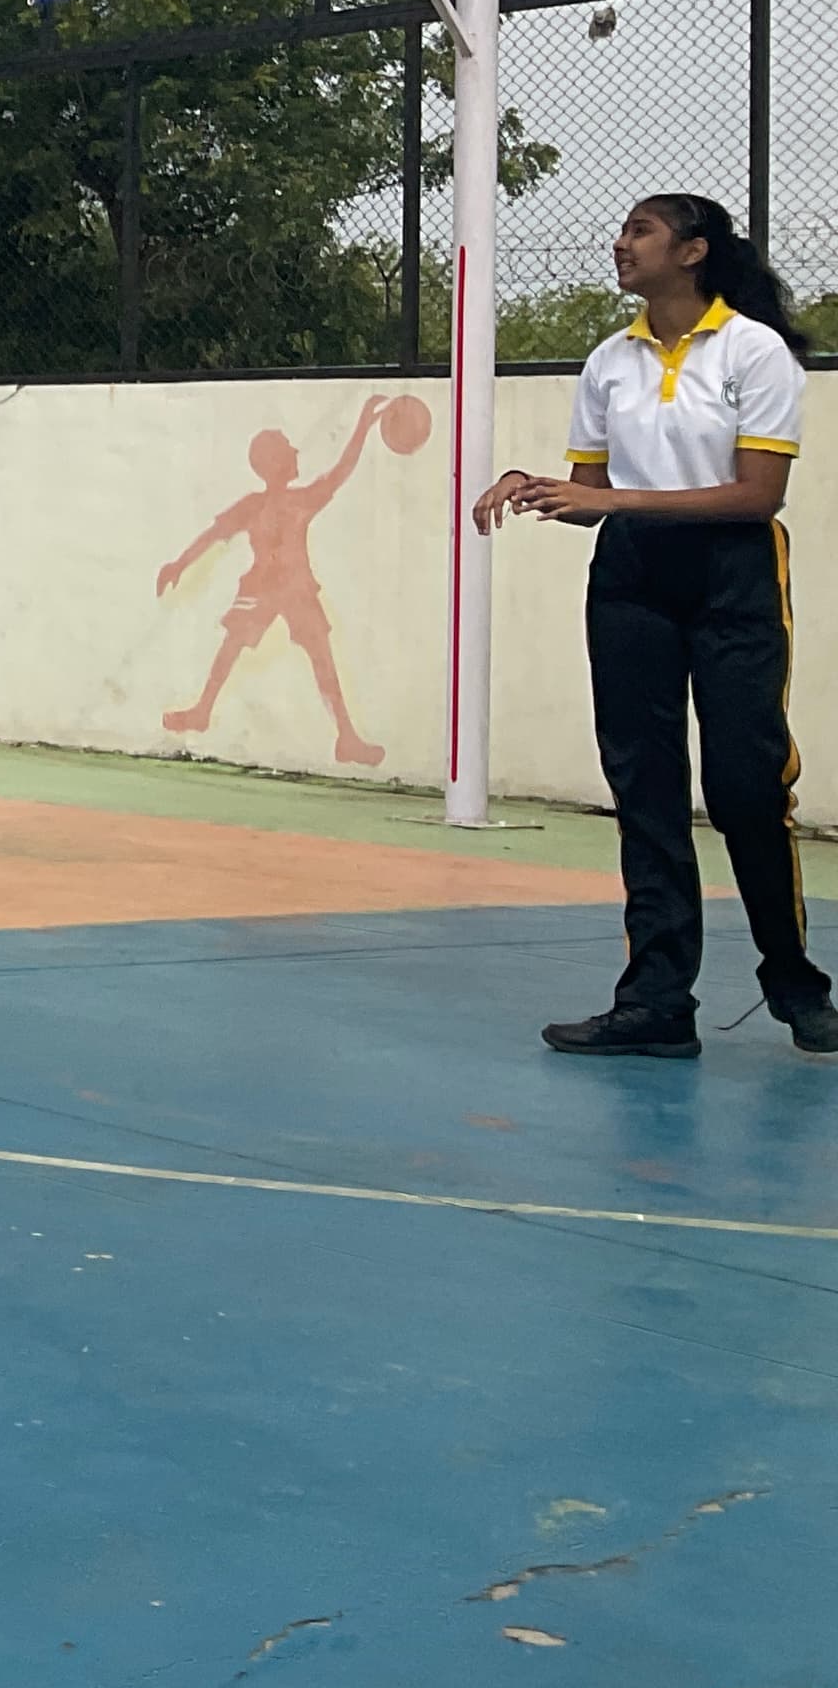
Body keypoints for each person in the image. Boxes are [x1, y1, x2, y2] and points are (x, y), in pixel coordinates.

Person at [475, 193, 835, 1060]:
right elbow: (588, 496)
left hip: (732, 573)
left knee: (748, 785)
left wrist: (610, 499)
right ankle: (657, 1004)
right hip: (633, 577)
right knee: (646, 789)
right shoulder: (610, 361)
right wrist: (538, 487)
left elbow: (758, 494)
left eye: (639, 230)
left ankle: (793, 981)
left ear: (694, 250)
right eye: (622, 228)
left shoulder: (754, 351)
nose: (620, 243)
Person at [157, 402, 397, 766]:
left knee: (321, 658)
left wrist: (363, 424)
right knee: (233, 644)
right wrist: (179, 563)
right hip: (262, 586)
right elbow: (214, 535)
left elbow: (340, 472)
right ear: (274, 463)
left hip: (297, 587)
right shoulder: (256, 506)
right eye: (289, 448)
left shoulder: (301, 500)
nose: (297, 451)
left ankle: (346, 738)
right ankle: (203, 710)